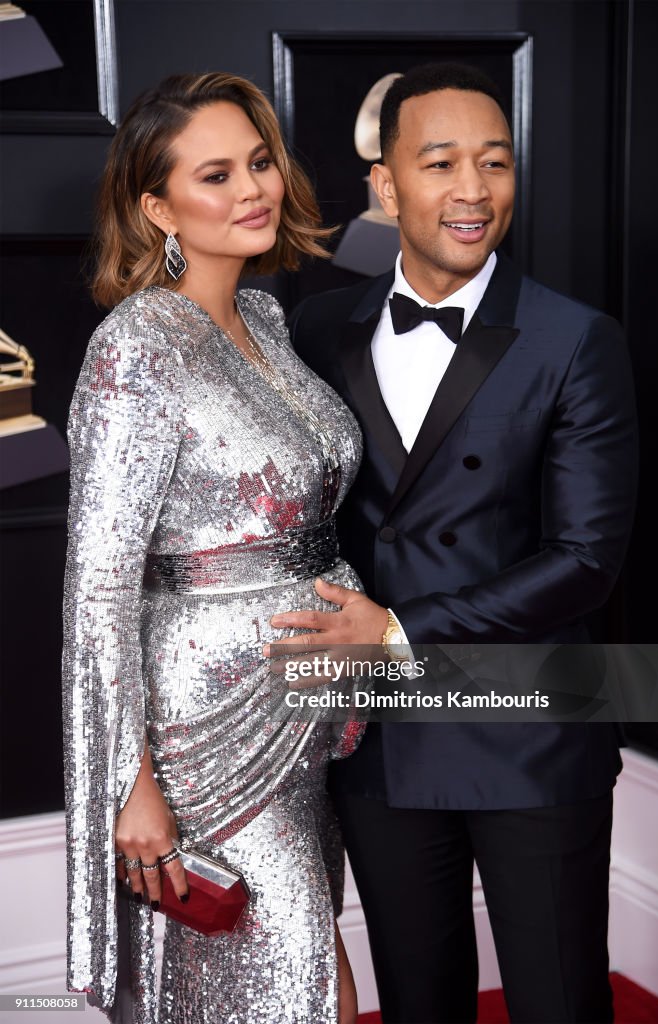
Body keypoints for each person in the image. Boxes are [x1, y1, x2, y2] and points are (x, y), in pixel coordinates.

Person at [271, 63, 639, 1023]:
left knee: (559, 1000)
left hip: (531, 727)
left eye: (496, 163)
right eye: (441, 164)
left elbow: (588, 560)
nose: (473, 190)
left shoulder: (576, 339)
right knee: (417, 997)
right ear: (388, 187)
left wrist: (397, 632)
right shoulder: (319, 327)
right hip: (380, 739)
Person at [62, 71, 363, 1024]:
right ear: (158, 208)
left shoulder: (267, 320)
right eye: (216, 175)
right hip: (207, 735)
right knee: (298, 978)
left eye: (261, 162)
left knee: (302, 976)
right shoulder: (136, 347)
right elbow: (98, 591)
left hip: (311, 704)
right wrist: (130, 786)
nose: (253, 190)